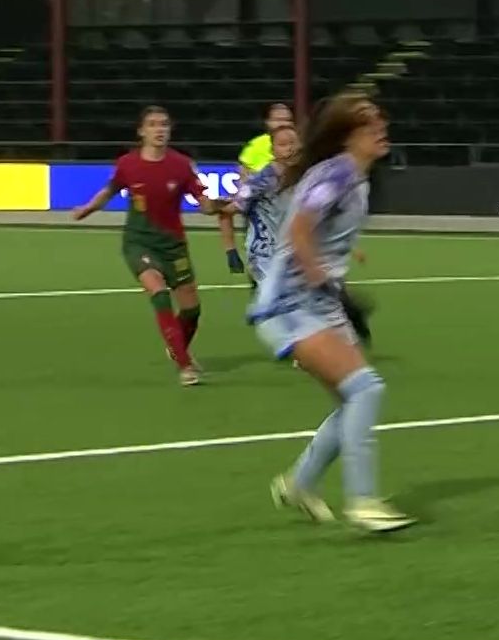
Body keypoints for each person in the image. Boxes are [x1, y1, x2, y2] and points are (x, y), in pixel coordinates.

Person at [253, 93, 411, 533]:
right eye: (368, 124)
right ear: (346, 135)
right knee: (366, 390)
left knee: (351, 400)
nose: (380, 127)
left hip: (319, 302)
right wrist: (316, 272)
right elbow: (301, 227)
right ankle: (362, 502)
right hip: (292, 302)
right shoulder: (339, 173)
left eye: (380, 119)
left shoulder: (354, 177)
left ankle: (299, 483)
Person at [71, 105, 226, 387]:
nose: (159, 129)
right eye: (153, 124)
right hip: (139, 241)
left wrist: (217, 206)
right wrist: (87, 208)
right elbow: (109, 190)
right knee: (159, 293)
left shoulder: (181, 165)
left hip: (173, 245)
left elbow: (203, 203)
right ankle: (185, 365)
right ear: (141, 131)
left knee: (192, 309)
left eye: (164, 124)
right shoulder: (127, 164)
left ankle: (176, 346)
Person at [221, 124, 299, 283]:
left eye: (293, 143)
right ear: (272, 150)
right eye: (283, 144)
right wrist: (231, 250)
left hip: (291, 253)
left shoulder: (303, 176)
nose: (290, 149)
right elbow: (229, 209)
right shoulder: (260, 181)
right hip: (264, 253)